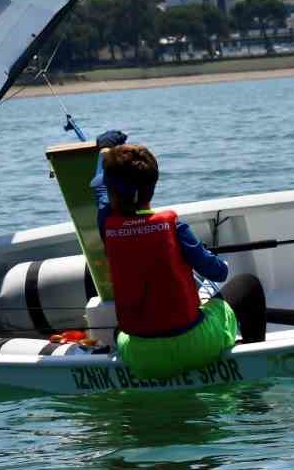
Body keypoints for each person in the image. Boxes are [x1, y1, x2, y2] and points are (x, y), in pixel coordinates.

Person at [92, 130, 266, 380]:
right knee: (248, 286)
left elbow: (99, 189)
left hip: (141, 355)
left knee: (124, 330)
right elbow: (219, 272)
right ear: (152, 186)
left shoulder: (107, 226)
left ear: (111, 189)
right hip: (196, 347)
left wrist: (103, 151)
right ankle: (253, 374)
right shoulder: (175, 228)